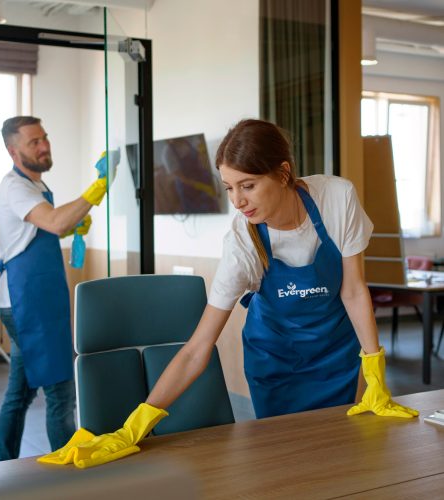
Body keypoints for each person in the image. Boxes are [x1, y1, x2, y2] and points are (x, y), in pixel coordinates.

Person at [39, 118, 418, 469]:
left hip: (336, 355)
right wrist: (134, 426)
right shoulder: (242, 243)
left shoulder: (336, 198)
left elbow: (352, 290)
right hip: (277, 362)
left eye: (248, 185)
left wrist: (375, 372)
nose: (237, 201)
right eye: (229, 188)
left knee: (340, 453)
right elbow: (196, 349)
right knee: (288, 461)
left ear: (283, 173)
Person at [0, 116, 108, 462]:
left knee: (20, 393)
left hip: (36, 299)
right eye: (33, 142)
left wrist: (73, 226)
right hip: (28, 302)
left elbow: (39, 230)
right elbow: (55, 221)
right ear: (13, 151)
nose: (44, 146)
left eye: (45, 138)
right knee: (60, 390)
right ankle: (67, 470)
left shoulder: (35, 186)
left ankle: (1, 464)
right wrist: (97, 187)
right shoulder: (16, 187)